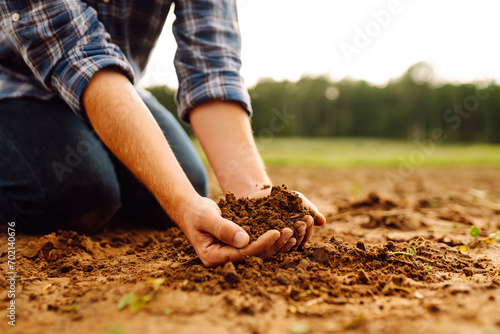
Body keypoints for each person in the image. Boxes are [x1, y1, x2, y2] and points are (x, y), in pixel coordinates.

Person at [0, 0, 325, 267]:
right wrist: (182, 203)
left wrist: (253, 193)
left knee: (181, 190)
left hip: (120, 86)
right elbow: (73, 50)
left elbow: (210, 63)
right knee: (76, 195)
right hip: (15, 84)